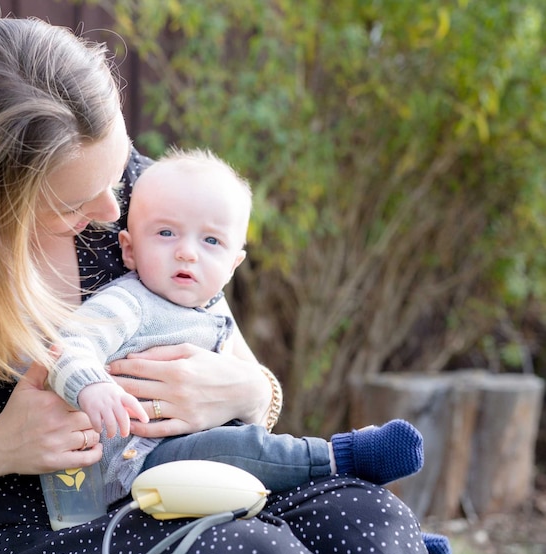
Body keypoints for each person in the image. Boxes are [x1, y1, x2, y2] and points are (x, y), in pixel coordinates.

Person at [0, 17, 445, 554]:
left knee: (372, 519)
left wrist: (249, 393)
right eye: (71, 204)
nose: (114, 209)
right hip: (4, 535)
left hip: (170, 478)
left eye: (116, 174)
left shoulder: (138, 198)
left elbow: (236, 362)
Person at [47, 148, 426, 500]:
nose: (187, 251)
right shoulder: (129, 302)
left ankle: (366, 525)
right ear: (129, 249)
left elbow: (257, 392)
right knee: (244, 451)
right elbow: (66, 347)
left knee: (257, 468)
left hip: (199, 455)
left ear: (232, 265)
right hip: (136, 463)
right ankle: (339, 458)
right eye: (166, 233)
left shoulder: (213, 309)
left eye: (211, 240)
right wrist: (91, 388)